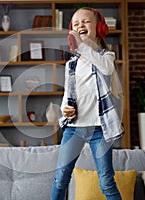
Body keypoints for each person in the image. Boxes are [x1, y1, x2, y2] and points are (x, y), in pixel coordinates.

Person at [51, 7, 124, 200]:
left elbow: (106, 69)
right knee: (60, 179)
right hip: (74, 128)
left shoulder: (107, 57)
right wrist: (64, 109)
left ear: (99, 28)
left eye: (85, 22)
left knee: (106, 182)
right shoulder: (71, 64)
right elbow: (67, 94)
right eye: (76, 24)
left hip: (99, 129)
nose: (80, 26)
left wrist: (81, 44)